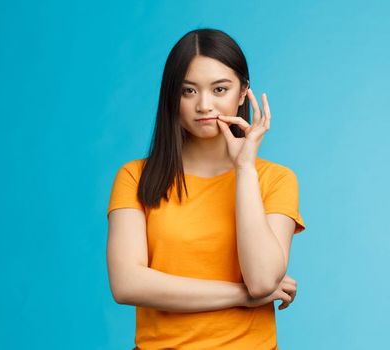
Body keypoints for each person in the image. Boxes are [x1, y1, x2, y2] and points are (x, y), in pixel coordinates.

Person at [106, 28, 306, 349]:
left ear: (242, 93)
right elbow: (126, 284)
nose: (204, 105)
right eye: (188, 91)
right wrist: (241, 295)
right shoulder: (136, 177)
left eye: (219, 89)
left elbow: (262, 280)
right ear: (173, 96)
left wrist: (243, 170)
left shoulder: (275, 180)